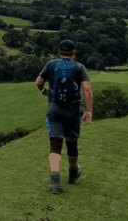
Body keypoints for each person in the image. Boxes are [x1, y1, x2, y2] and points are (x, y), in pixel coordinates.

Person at [35, 39, 93, 194]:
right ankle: (73, 172)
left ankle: (55, 183)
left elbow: (39, 82)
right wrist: (88, 110)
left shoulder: (51, 64)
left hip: (54, 109)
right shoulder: (79, 67)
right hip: (73, 110)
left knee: (55, 143)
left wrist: (44, 91)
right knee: (72, 142)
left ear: (59, 51)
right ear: (73, 52)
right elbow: (86, 88)